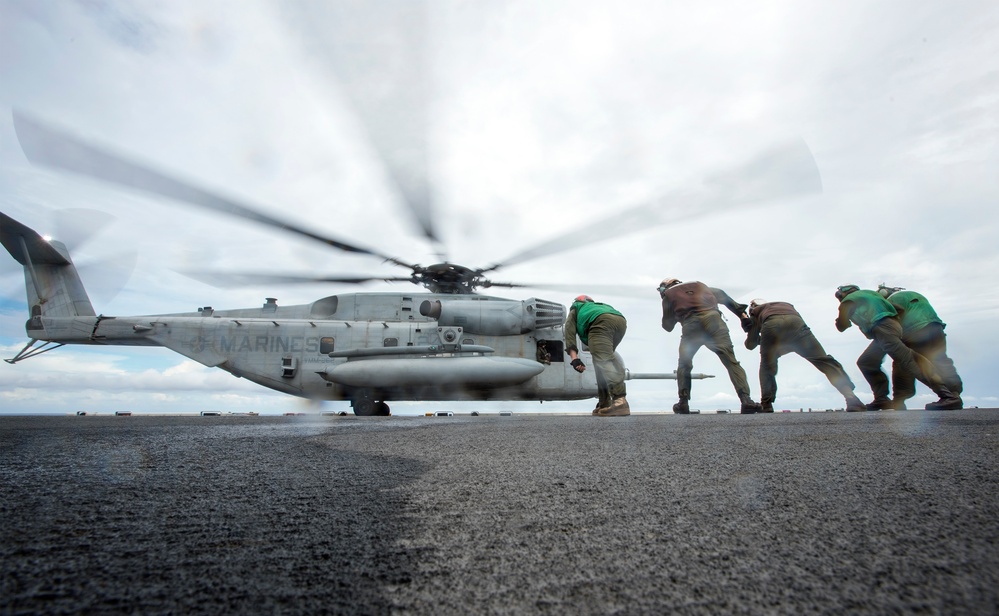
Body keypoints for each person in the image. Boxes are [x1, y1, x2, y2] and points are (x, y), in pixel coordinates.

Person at [835, 285, 961, 410]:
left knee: (905, 360)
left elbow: (842, 326)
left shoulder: (851, 301)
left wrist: (842, 320)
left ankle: (945, 395)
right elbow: (899, 310)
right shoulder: (878, 296)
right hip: (927, 328)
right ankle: (883, 399)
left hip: (893, 330)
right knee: (867, 361)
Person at [658, 278, 762, 414]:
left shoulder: (669, 295)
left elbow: (667, 327)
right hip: (714, 322)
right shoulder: (703, 288)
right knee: (731, 361)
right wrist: (743, 317)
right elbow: (728, 300)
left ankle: (683, 403)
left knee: (684, 365)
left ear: (666, 287)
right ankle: (746, 400)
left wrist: (676, 315)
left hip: (691, 327)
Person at [743, 299, 866, 412]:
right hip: (796, 324)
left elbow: (750, 345)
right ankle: (851, 398)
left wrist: (749, 329)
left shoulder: (756, 312)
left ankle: (767, 404)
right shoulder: (783, 306)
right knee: (822, 360)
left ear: (752, 309)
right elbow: (787, 330)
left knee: (767, 365)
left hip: (772, 326)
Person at [564, 295, 630, 416]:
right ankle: (604, 403)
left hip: (600, 322)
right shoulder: (600, 306)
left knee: (604, 360)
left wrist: (574, 359)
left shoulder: (576, 307)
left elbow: (569, 332)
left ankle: (619, 400)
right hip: (620, 322)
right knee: (601, 362)